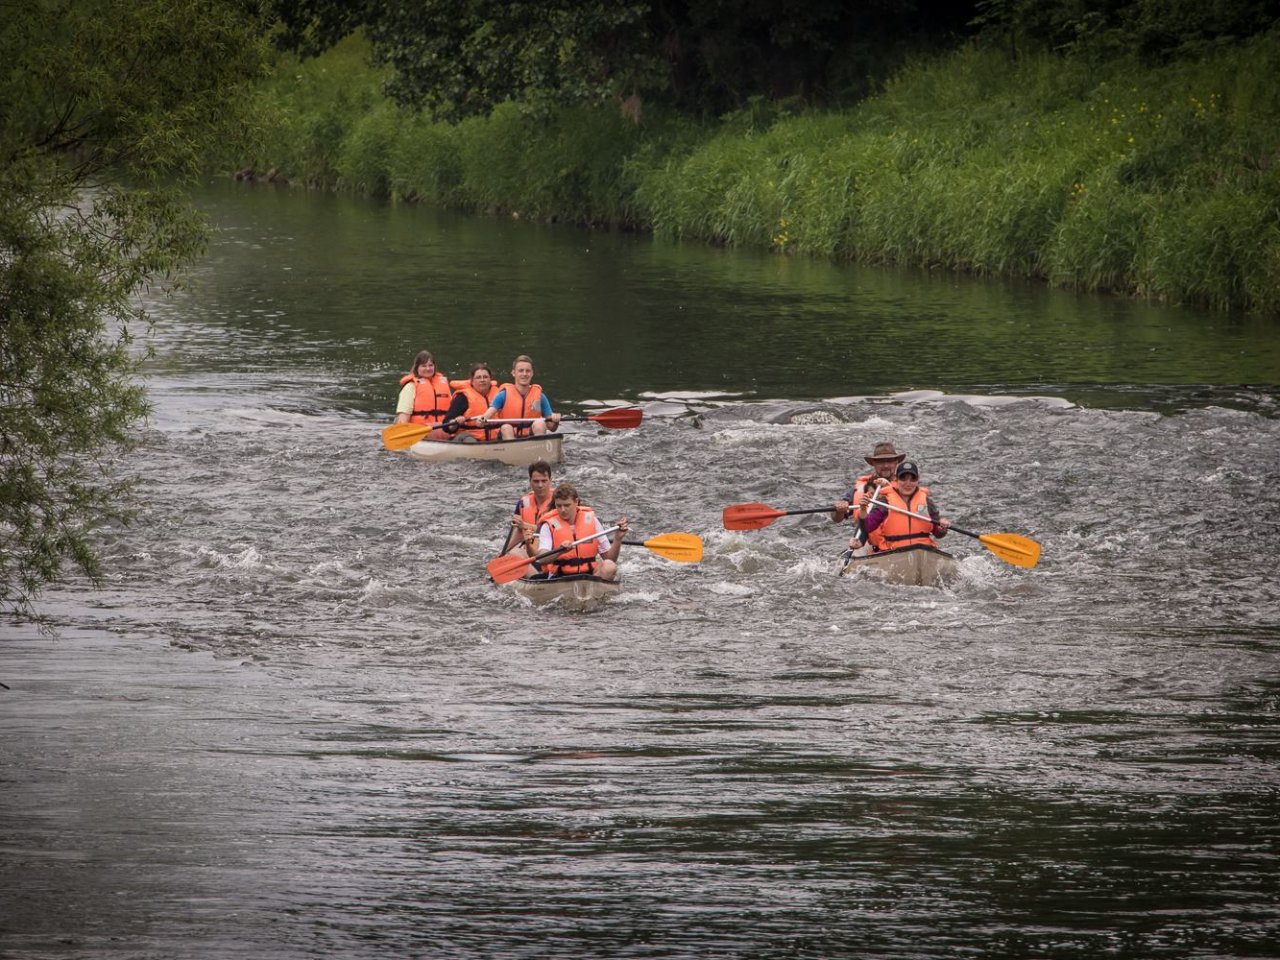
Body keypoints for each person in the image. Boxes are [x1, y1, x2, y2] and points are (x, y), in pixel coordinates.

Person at [533, 482, 628, 581]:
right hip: (560, 576)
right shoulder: (548, 525)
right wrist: (559, 551)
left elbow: (610, 558)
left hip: (590, 575)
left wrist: (617, 539)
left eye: (567, 505)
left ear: (576, 502)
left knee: (610, 566)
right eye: (559, 505)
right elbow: (542, 558)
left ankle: (594, 590)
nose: (563, 510)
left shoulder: (592, 521)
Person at [858, 460, 951, 552]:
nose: (908, 483)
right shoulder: (885, 502)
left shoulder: (926, 502)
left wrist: (942, 527)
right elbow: (867, 527)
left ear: (917, 480)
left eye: (912, 479)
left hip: (923, 550)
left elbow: (938, 534)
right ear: (896, 479)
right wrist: (863, 509)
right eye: (903, 478)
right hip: (894, 552)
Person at [833, 441, 907, 553]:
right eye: (881, 462)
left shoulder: (907, 487)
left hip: (900, 543)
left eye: (890, 461)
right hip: (870, 544)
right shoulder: (860, 488)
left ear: (896, 462)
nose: (886, 465)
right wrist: (839, 510)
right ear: (873, 464)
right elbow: (836, 518)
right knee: (855, 549)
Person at [483, 355, 561, 439]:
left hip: (530, 438)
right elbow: (487, 416)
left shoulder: (540, 396)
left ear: (532, 373)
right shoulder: (503, 395)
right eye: (521, 371)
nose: (524, 374)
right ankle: (512, 450)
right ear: (513, 373)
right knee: (506, 427)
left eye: (527, 371)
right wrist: (482, 420)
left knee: (540, 423)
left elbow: (552, 428)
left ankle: (538, 448)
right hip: (507, 436)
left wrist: (555, 421)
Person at [501, 459, 555, 557]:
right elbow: (518, 532)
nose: (540, 485)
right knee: (511, 554)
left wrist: (525, 526)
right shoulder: (523, 503)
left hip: (550, 551)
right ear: (530, 481)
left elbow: (557, 531)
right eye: (536, 481)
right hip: (530, 548)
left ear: (550, 480)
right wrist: (504, 552)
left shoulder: (559, 503)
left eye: (544, 481)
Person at [394, 350, 452, 435]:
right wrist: (401, 431)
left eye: (430, 365)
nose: (428, 369)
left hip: (444, 429)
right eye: (424, 366)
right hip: (420, 431)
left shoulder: (443, 383)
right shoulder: (411, 386)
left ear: (434, 366)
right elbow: (404, 415)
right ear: (417, 368)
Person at [440, 362, 498, 442]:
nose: (482, 380)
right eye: (478, 377)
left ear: (490, 379)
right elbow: (446, 427)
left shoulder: (499, 395)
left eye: (485, 377)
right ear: (472, 381)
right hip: (468, 438)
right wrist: (455, 422)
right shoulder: (462, 398)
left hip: (494, 440)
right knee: (470, 440)